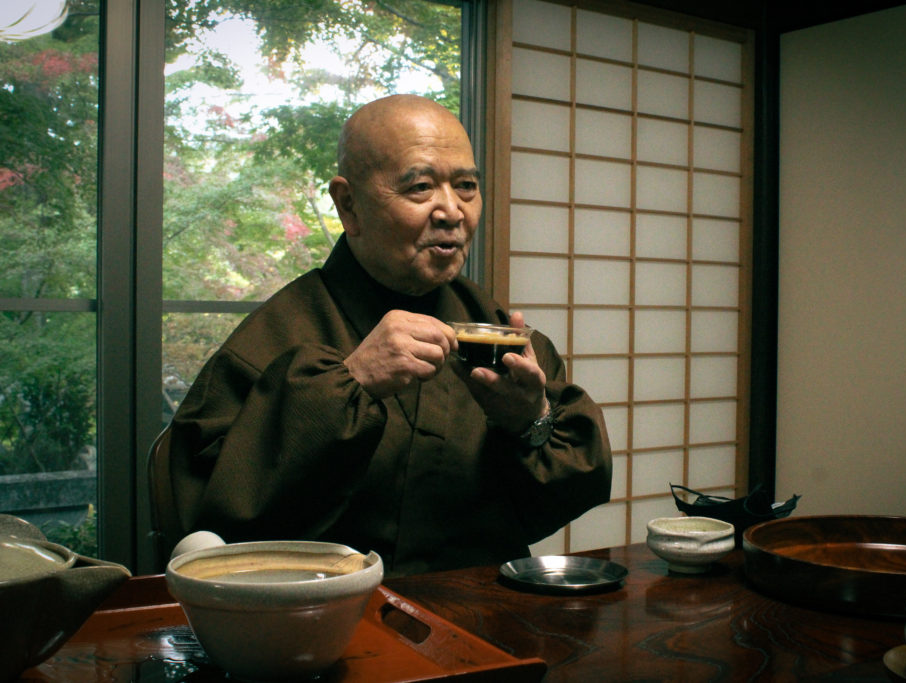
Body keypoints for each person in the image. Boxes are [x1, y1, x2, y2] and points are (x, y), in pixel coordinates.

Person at [165, 94, 612, 576]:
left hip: (483, 614)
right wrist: (349, 383)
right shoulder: (278, 334)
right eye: (420, 187)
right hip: (323, 621)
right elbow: (207, 527)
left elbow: (570, 493)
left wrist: (530, 419)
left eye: (466, 186)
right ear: (348, 204)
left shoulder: (498, 333)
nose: (451, 211)